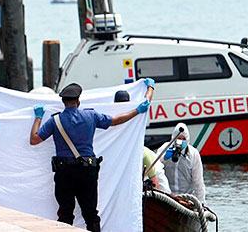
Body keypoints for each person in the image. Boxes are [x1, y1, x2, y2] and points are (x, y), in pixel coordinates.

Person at [28, 79, 155, 232]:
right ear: (78, 101)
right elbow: (116, 120)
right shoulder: (91, 116)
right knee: (91, 214)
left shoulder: (54, 121)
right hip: (87, 171)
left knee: (65, 214)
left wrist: (38, 117)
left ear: (63, 101)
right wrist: (138, 109)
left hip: (64, 172)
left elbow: (34, 140)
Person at [114, 90, 170, 193]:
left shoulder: (142, 154)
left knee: (164, 192)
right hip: (138, 172)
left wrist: (150, 88)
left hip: (151, 165)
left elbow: (155, 181)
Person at [157, 123, 206, 203]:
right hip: (167, 196)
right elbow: (154, 169)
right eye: (178, 138)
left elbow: (198, 182)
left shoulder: (193, 154)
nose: (181, 141)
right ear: (173, 138)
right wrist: (164, 158)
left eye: (184, 139)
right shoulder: (164, 148)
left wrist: (201, 203)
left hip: (186, 198)